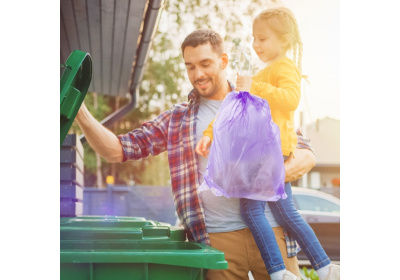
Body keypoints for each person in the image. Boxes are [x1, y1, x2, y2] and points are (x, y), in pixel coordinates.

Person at [74, 28, 315, 280]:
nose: (198, 74)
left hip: (272, 230)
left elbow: (306, 154)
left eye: (205, 64)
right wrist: (80, 111)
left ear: (223, 61)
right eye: (190, 67)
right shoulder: (178, 119)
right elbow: (116, 150)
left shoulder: (259, 98)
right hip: (217, 239)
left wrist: (261, 179)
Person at [195, 7, 339, 280]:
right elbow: (231, 110)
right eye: (254, 38)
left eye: (263, 38)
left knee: (251, 209)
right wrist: (210, 133)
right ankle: (324, 266)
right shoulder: (265, 72)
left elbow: (290, 98)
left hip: (268, 152)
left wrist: (254, 86)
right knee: (287, 212)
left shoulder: (284, 67)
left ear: (283, 41)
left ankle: (277, 271)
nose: (255, 44)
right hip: (266, 152)